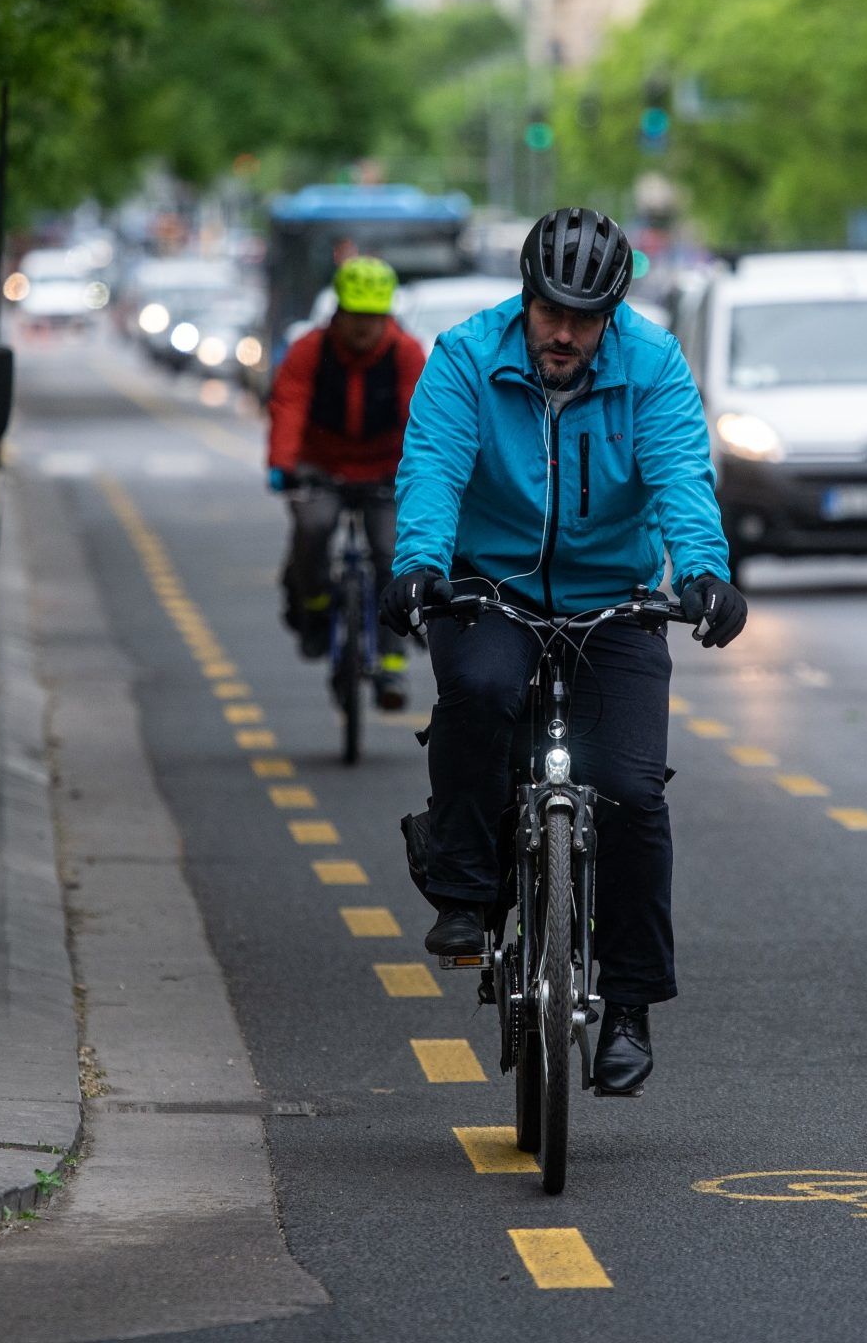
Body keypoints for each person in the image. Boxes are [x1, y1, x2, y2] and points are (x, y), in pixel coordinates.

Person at [379, 207, 747, 1096]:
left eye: (586, 320)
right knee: (477, 689)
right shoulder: (467, 356)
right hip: (488, 587)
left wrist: (703, 571)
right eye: (552, 313)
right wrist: (420, 564)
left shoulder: (651, 364)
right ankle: (466, 889)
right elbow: (432, 466)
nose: (565, 334)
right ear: (527, 297)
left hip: (613, 599)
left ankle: (626, 1006)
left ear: (613, 315)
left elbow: (678, 475)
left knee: (627, 789)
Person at [268, 255, 425, 709]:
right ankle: (314, 606)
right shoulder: (309, 349)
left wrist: (422, 474)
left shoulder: (406, 353)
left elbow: (424, 419)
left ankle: (392, 667)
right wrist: (283, 463)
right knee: (313, 527)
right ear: (338, 312)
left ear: (388, 317)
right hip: (321, 465)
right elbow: (289, 405)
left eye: (373, 316)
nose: (363, 327)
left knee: (392, 553)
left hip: (385, 469)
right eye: (355, 314)